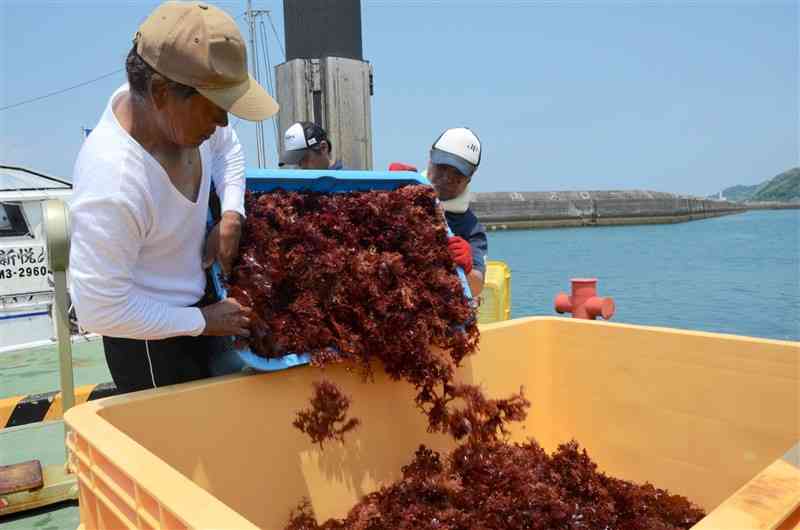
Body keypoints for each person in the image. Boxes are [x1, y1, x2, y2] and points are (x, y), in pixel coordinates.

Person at [69, 1, 279, 394]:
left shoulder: (180, 115)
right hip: (149, 343)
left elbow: (227, 148)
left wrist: (232, 212)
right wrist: (202, 323)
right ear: (162, 92)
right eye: (215, 109)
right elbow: (100, 309)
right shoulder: (114, 181)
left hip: (207, 302)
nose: (222, 122)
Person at [391, 128, 487, 296]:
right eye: (442, 167)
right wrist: (384, 186)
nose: (447, 178)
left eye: (458, 173)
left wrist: (468, 268)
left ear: (470, 177)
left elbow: (477, 287)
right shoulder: (403, 191)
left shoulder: (471, 228)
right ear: (430, 158)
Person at [279, 121, 343, 169]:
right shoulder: (307, 184)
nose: (301, 166)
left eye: (304, 158)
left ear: (323, 148)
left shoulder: (347, 183)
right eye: (297, 161)